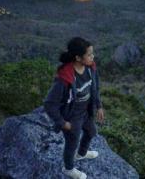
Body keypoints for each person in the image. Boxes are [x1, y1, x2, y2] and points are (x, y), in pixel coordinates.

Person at [43, 37, 105, 179]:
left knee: (91, 132)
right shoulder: (65, 78)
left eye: (92, 53)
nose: (92, 57)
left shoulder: (90, 69)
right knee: (72, 142)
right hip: (72, 116)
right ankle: (68, 168)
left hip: (86, 111)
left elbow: (95, 88)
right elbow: (49, 104)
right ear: (78, 57)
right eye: (89, 54)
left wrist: (99, 106)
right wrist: (62, 123)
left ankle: (81, 154)